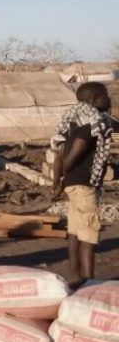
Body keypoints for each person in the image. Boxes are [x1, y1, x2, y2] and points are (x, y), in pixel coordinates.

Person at [51, 81, 112, 287]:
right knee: (88, 235)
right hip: (84, 187)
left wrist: (58, 182)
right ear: (93, 100)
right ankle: (89, 282)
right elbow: (68, 160)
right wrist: (65, 172)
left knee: (75, 233)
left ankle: (76, 277)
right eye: (105, 96)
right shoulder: (90, 129)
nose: (109, 100)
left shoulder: (76, 127)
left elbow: (59, 158)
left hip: (74, 185)